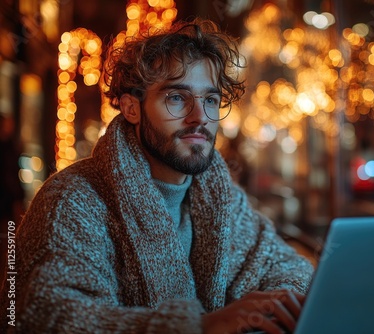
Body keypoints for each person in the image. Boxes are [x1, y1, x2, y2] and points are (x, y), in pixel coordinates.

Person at [0, 18, 313, 333]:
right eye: (177, 98)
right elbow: (50, 317)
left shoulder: (223, 200)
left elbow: (288, 266)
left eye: (210, 100)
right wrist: (198, 327)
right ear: (132, 108)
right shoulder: (73, 200)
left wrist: (276, 306)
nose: (199, 117)